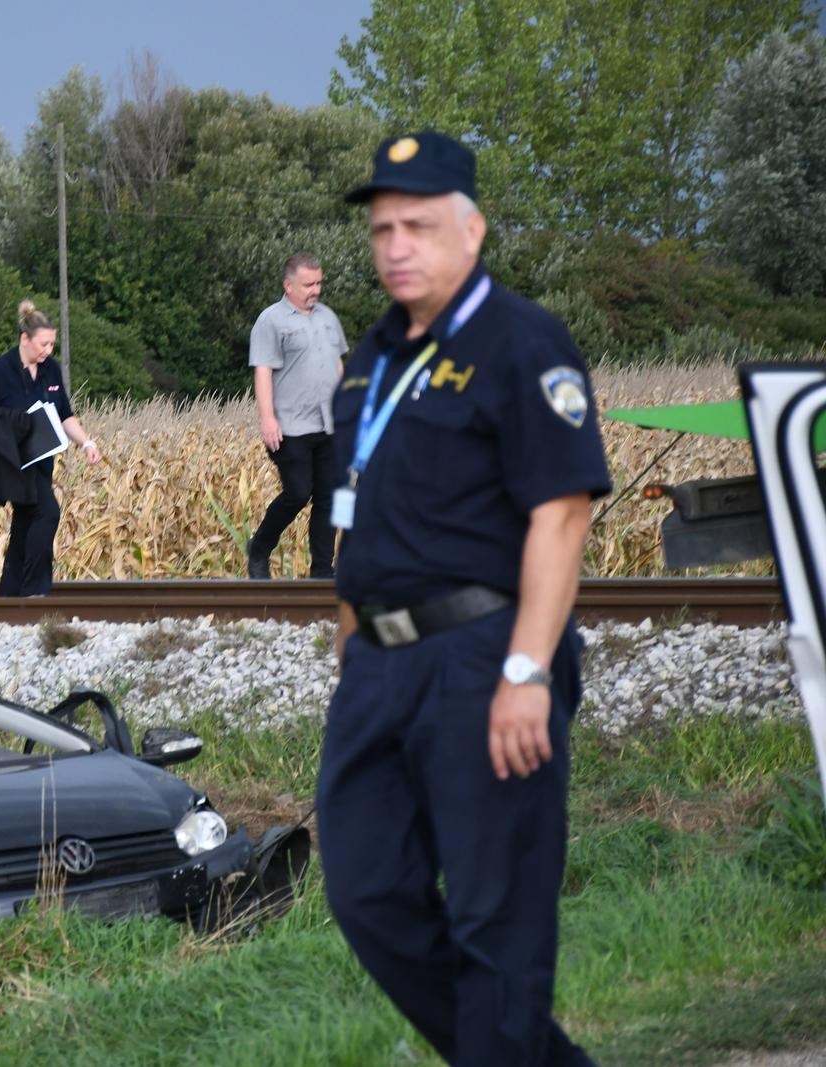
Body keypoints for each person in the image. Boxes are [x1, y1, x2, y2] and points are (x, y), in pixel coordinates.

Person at [317, 131, 610, 1066]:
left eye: (418, 225)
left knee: (496, 919)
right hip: (378, 666)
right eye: (382, 228)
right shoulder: (367, 355)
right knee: (367, 893)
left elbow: (561, 517)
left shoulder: (522, 342)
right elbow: (360, 510)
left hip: (485, 654)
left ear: (471, 231)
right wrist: (349, 637)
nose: (396, 245)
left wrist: (527, 667)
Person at [0, 300, 102, 597]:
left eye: (52, 344)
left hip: (42, 460)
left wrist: (86, 442)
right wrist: (10, 421)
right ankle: (35, 590)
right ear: (24, 339)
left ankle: (12, 592)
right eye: (43, 344)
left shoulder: (50, 370)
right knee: (47, 512)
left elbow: (65, 414)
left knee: (26, 520)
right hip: (12, 463)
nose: (48, 351)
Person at [246, 254, 348, 580]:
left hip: (328, 423)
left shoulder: (328, 318)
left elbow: (338, 366)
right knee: (298, 493)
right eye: (308, 284)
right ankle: (260, 547)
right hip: (290, 426)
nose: (315, 290)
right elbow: (263, 371)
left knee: (328, 497)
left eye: (318, 283)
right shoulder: (270, 321)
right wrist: (267, 418)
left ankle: (322, 572)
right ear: (288, 285)